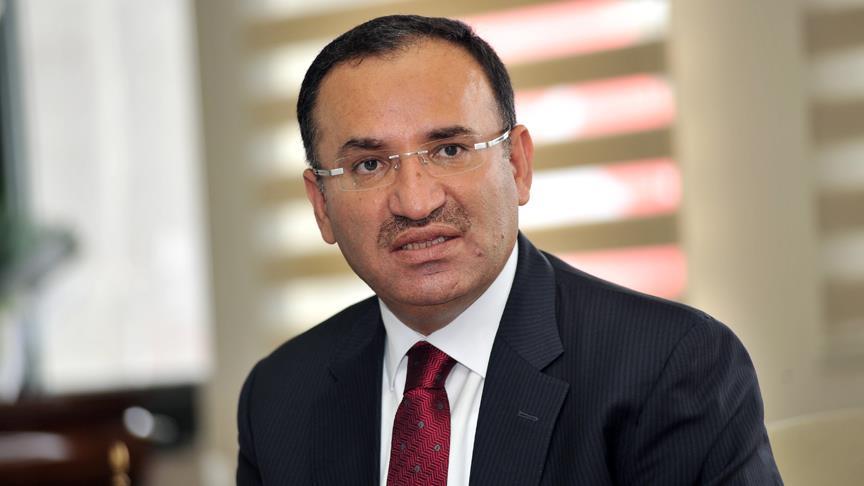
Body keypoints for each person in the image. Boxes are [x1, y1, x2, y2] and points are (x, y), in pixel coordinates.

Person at [237, 14, 783, 486]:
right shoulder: (279, 397)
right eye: (369, 165)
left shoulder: (671, 366)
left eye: (450, 149)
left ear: (518, 166)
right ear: (321, 205)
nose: (416, 202)